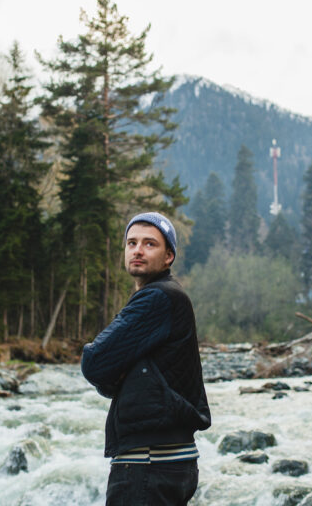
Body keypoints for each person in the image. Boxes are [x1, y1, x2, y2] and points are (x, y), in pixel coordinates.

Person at [81, 212, 211, 506]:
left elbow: (94, 362)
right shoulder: (166, 296)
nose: (138, 250)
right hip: (167, 460)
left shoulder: (158, 297)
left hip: (148, 462)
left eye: (149, 244)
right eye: (132, 243)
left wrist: (117, 378)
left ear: (168, 256)